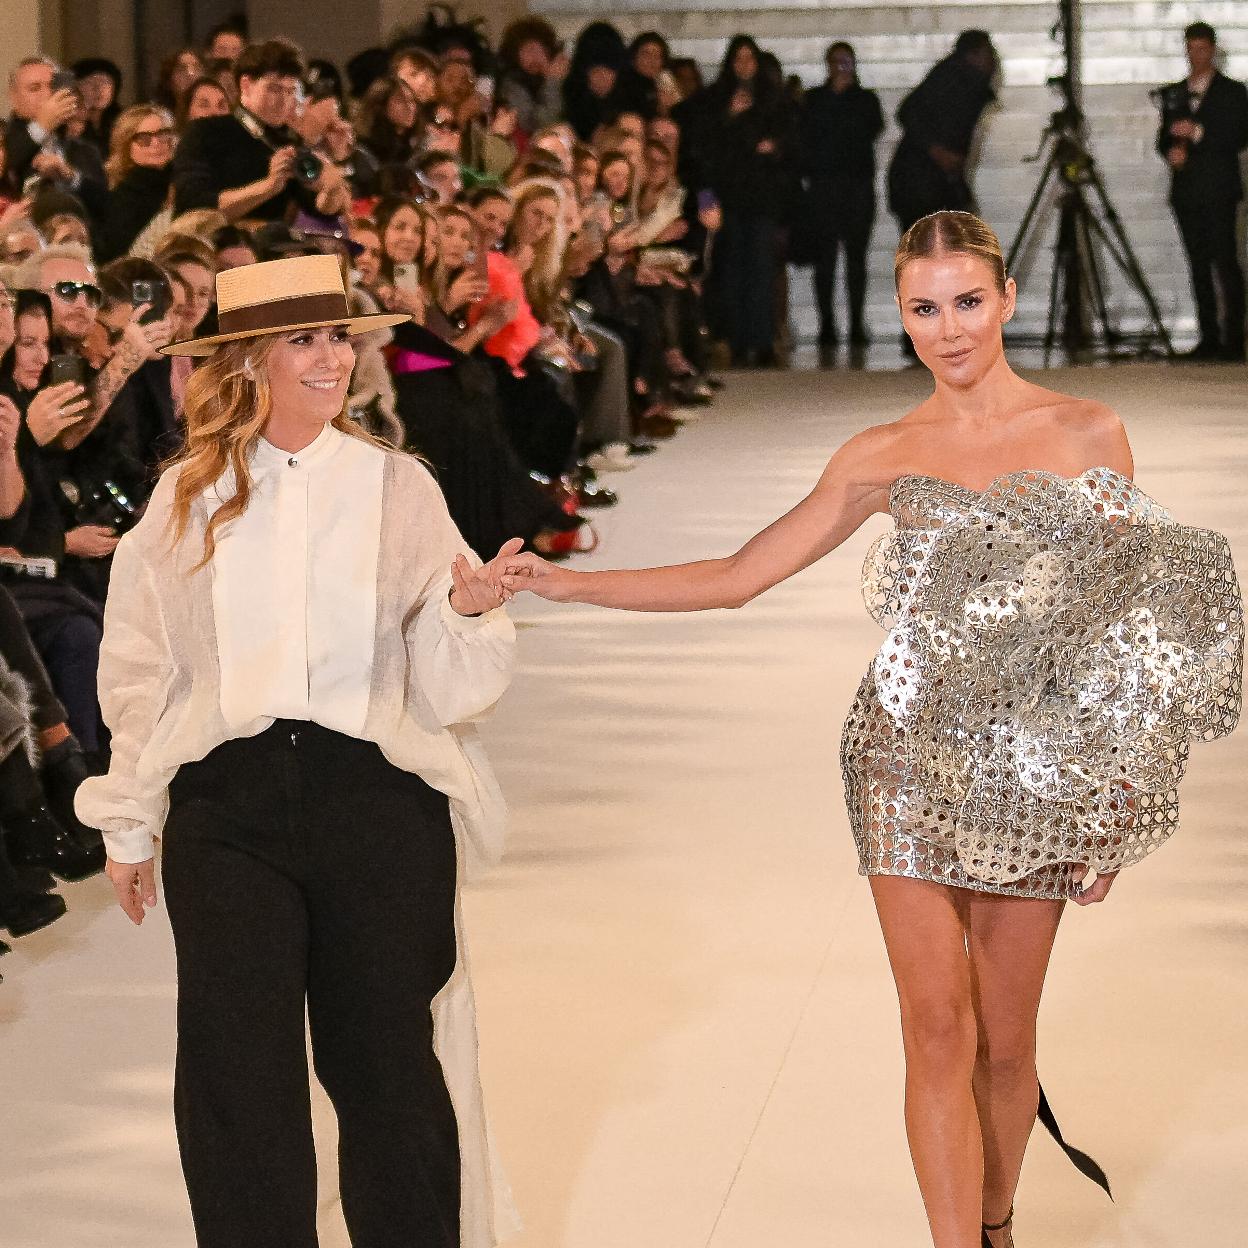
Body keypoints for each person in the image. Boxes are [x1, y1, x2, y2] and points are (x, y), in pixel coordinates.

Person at [499, 210, 1243, 1248]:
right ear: (900, 314)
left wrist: (1115, 803)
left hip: (1041, 773)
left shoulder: (1088, 432)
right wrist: (564, 585)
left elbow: (1127, 629)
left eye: (969, 302)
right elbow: (733, 578)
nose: (950, 329)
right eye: (926, 308)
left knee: (1006, 1043)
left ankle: (994, 1222)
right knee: (936, 1026)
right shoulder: (884, 454)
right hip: (902, 758)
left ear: (1007, 300)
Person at [75, 253, 522, 1247]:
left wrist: (463, 609)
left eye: (342, 335)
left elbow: (450, 690)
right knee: (237, 1080)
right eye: (306, 338)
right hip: (227, 815)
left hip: (375, 805)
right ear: (247, 361)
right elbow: (141, 671)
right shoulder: (183, 500)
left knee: (388, 1072)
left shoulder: (397, 487)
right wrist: (132, 819)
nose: (336, 358)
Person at [172, 39, 351, 224]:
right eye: (274, 89)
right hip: (214, 243)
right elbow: (194, 206)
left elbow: (320, 211)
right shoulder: (205, 131)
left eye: (290, 92)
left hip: (273, 245)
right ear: (246, 85)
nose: (283, 101)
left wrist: (332, 184)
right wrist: (268, 187)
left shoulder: (288, 141)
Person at [1155, 21, 1248, 362]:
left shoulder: (1233, 92)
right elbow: (1162, 137)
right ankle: (1208, 336)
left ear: (1212, 49)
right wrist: (1171, 151)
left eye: (1202, 49)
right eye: (1191, 50)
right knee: (1197, 264)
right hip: (1187, 190)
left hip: (1219, 190)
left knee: (1225, 262)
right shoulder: (1176, 92)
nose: (1196, 56)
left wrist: (1198, 134)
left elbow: (1238, 135)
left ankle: (1234, 339)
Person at [800, 42, 885, 353]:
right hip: (823, 188)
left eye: (846, 61)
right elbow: (808, 135)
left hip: (856, 187)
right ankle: (826, 324)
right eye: (836, 61)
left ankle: (856, 323)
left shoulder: (865, 100)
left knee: (856, 259)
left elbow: (870, 129)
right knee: (825, 260)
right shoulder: (814, 99)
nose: (841, 66)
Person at [887, 31, 998, 236]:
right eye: (987, 53)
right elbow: (907, 112)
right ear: (973, 55)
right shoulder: (951, 78)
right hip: (920, 184)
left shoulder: (964, 82)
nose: (993, 60)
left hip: (929, 183)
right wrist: (938, 151)